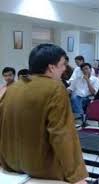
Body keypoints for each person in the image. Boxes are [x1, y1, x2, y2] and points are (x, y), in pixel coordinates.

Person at [0, 44, 88, 184]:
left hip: (10, 163)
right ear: (51, 67)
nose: (65, 69)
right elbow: (61, 133)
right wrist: (76, 176)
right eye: (62, 64)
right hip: (42, 169)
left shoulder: (13, 88)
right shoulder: (55, 88)